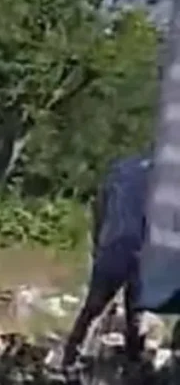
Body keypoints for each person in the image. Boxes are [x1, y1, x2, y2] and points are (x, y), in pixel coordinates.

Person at [61, 153, 150, 368]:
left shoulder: (122, 168)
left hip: (113, 246)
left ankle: (69, 359)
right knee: (136, 313)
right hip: (144, 250)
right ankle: (132, 365)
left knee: (92, 308)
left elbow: (99, 205)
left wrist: (98, 241)